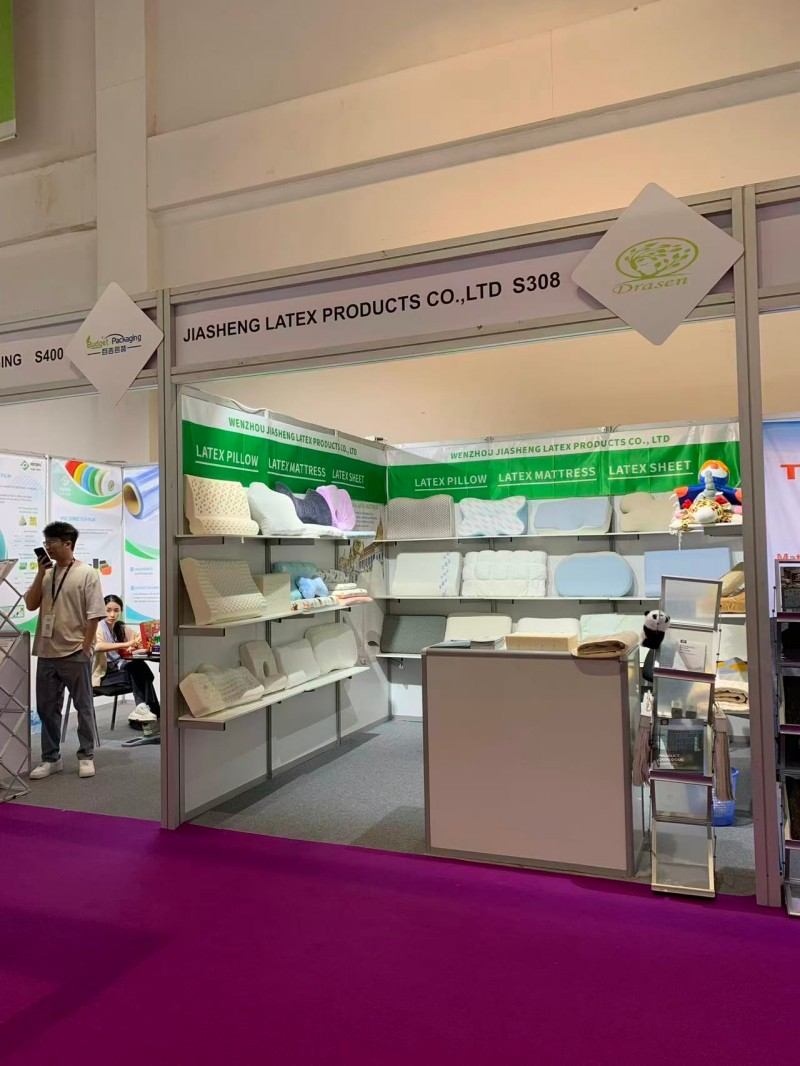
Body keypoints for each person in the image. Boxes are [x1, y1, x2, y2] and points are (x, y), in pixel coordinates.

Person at [25, 521, 106, 780]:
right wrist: (40, 573)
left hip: (74, 651)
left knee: (83, 706)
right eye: (46, 542)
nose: (47, 547)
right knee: (47, 708)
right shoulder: (47, 574)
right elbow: (30, 604)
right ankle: (51, 758)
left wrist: (86, 648)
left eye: (52, 542)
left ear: (68, 543)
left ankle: (86, 755)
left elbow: (94, 615)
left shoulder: (87, 573)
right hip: (46, 651)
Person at [95, 595, 160, 729]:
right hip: (105, 675)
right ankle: (152, 712)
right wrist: (126, 644)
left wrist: (136, 643)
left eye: (116, 610)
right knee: (138, 672)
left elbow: (138, 638)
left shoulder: (119, 627)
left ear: (121, 611)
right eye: (108, 610)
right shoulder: (98, 626)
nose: (112, 614)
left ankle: (144, 711)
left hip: (120, 670)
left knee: (139, 668)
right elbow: (98, 646)